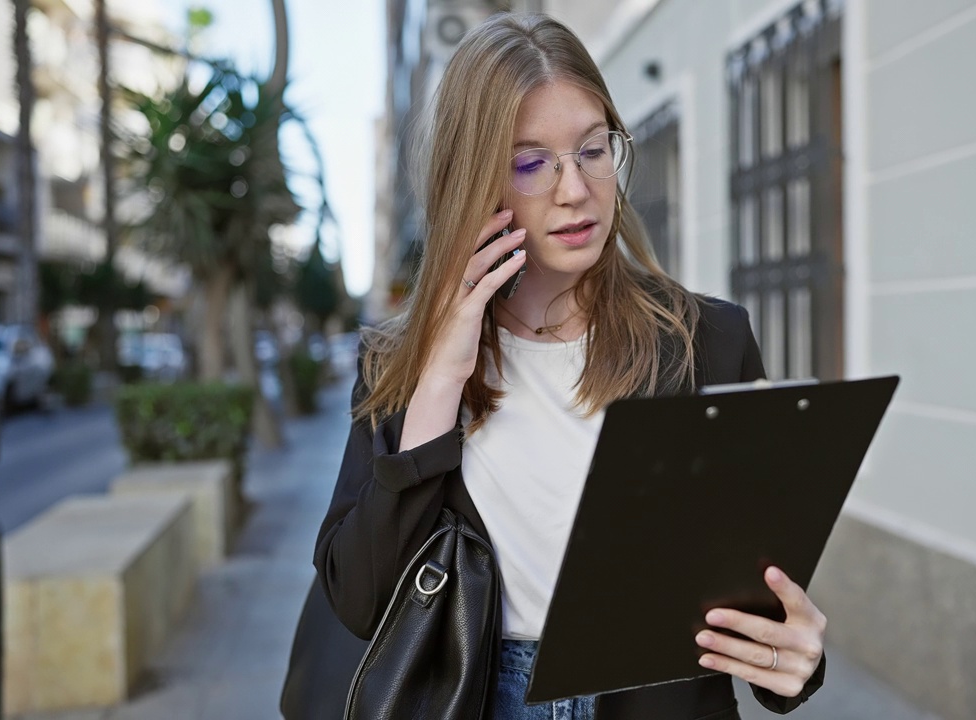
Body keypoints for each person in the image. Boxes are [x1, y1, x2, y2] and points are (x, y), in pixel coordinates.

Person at [314, 12, 827, 719]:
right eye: (531, 163)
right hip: (482, 696)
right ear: (475, 182)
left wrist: (793, 658)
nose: (575, 189)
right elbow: (360, 598)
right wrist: (438, 383)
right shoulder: (400, 362)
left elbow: (756, 595)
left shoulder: (709, 339)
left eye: (592, 149)